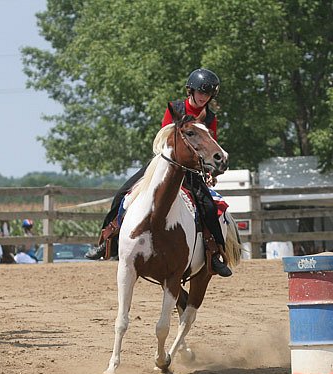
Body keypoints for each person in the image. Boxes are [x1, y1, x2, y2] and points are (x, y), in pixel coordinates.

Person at [85, 68, 232, 277]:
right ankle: (107, 240)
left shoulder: (210, 118)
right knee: (122, 194)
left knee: (208, 206)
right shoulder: (175, 109)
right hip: (163, 165)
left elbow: (210, 147)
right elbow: (164, 137)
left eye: (208, 94)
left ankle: (215, 252)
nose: (204, 97)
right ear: (191, 90)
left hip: (192, 170)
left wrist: (210, 173)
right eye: (201, 92)